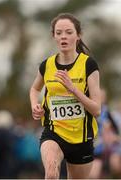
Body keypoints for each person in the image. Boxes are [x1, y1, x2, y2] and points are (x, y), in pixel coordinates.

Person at [30, 13, 101, 179]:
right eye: (59, 32)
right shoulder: (47, 65)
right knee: (51, 173)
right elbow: (34, 89)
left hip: (81, 138)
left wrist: (73, 89)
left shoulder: (88, 65)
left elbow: (97, 110)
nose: (63, 37)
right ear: (54, 36)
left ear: (78, 36)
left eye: (69, 32)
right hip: (54, 132)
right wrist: (35, 104)